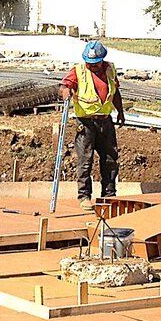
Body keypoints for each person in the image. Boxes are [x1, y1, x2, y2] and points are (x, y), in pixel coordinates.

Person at [58, 40, 124, 211]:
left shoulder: (109, 69)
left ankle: (109, 195)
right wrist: (65, 91)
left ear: (102, 60)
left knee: (110, 159)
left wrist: (120, 112)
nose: (92, 66)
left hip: (105, 121)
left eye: (95, 63)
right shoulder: (79, 71)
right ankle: (84, 196)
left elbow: (115, 92)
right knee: (85, 160)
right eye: (89, 63)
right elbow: (65, 85)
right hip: (86, 123)